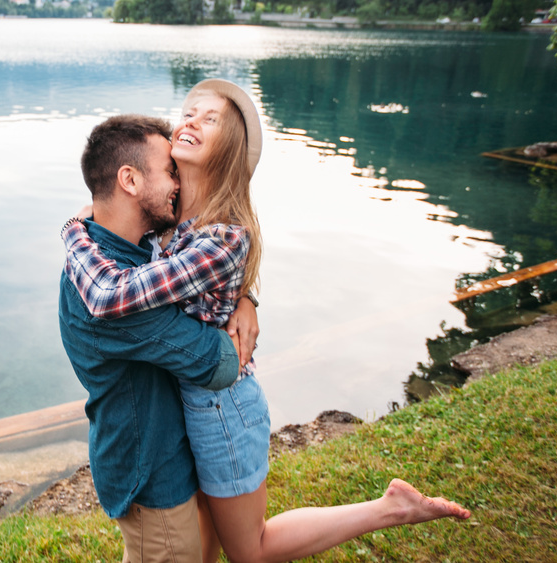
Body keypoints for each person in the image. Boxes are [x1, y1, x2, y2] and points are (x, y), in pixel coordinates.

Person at [61, 80, 470, 563]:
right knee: (212, 546)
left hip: (220, 409)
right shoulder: (166, 224)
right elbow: (106, 236)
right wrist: (244, 296)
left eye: (208, 119)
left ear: (226, 150)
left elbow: (134, 290)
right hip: (185, 413)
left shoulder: (212, 235)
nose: (188, 122)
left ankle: (388, 509)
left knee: (249, 550)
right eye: (187, 114)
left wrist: (71, 232)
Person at [58, 113, 257, 563]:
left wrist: (245, 298)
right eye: (171, 172)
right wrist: (228, 324)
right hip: (153, 472)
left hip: (169, 452)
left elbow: (189, 266)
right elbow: (220, 362)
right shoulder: (118, 302)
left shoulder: (124, 246)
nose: (178, 185)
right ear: (129, 180)